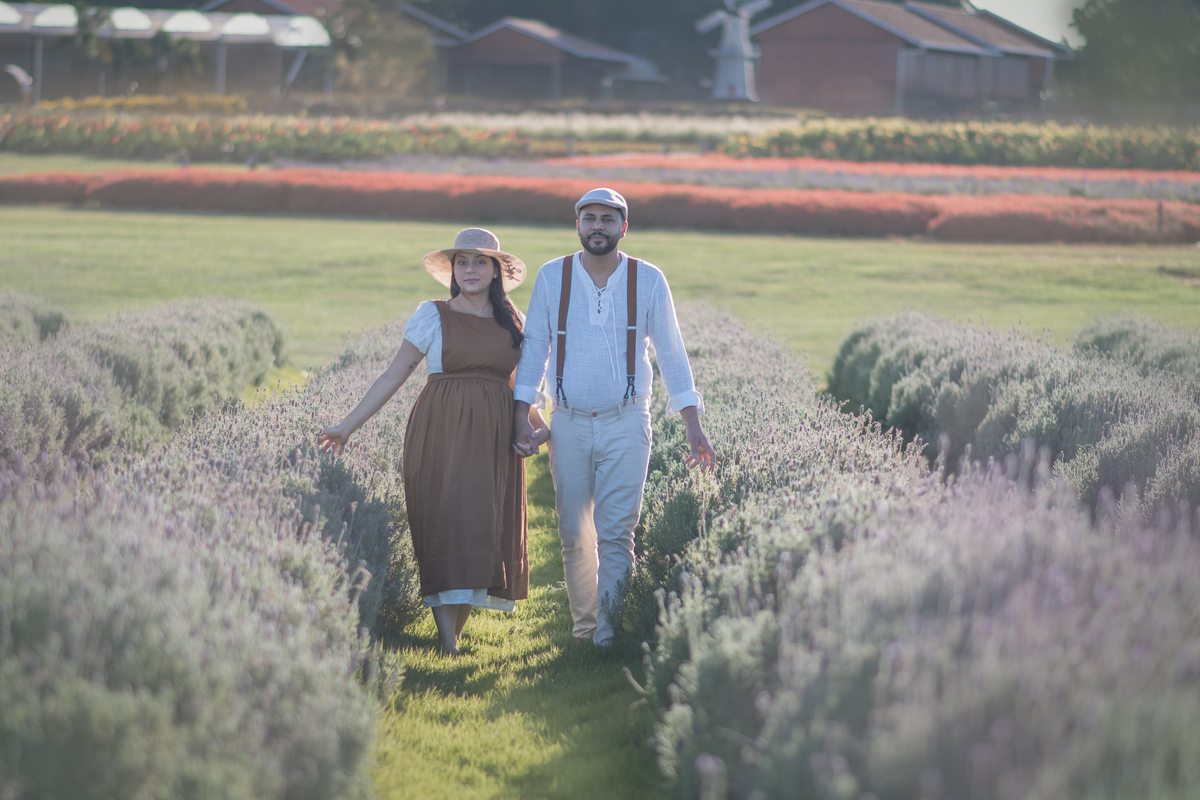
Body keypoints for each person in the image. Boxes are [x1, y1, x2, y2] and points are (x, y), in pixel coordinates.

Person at [320, 228, 549, 655]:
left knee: (483, 529)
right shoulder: (433, 314)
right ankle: (448, 643)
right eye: (462, 262)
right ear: (452, 271)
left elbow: (521, 385)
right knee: (446, 524)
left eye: (480, 261)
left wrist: (539, 427)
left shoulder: (514, 321)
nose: (470, 269)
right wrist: (347, 426)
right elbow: (393, 374)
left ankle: (454, 635)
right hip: (442, 428)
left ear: (497, 270)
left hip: (495, 437)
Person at [512, 188, 716, 648]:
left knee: (618, 533)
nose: (598, 226)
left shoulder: (648, 279)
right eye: (590, 218)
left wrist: (692, 423)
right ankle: (584, 629)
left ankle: (607, 634)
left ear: (624, 227)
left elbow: (672, 353)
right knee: (573, 532)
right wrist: (523, 412)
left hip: (628, 420)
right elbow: (533, 350)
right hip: (567, 420)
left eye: (608, 219)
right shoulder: (552, 277)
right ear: (578, 225)